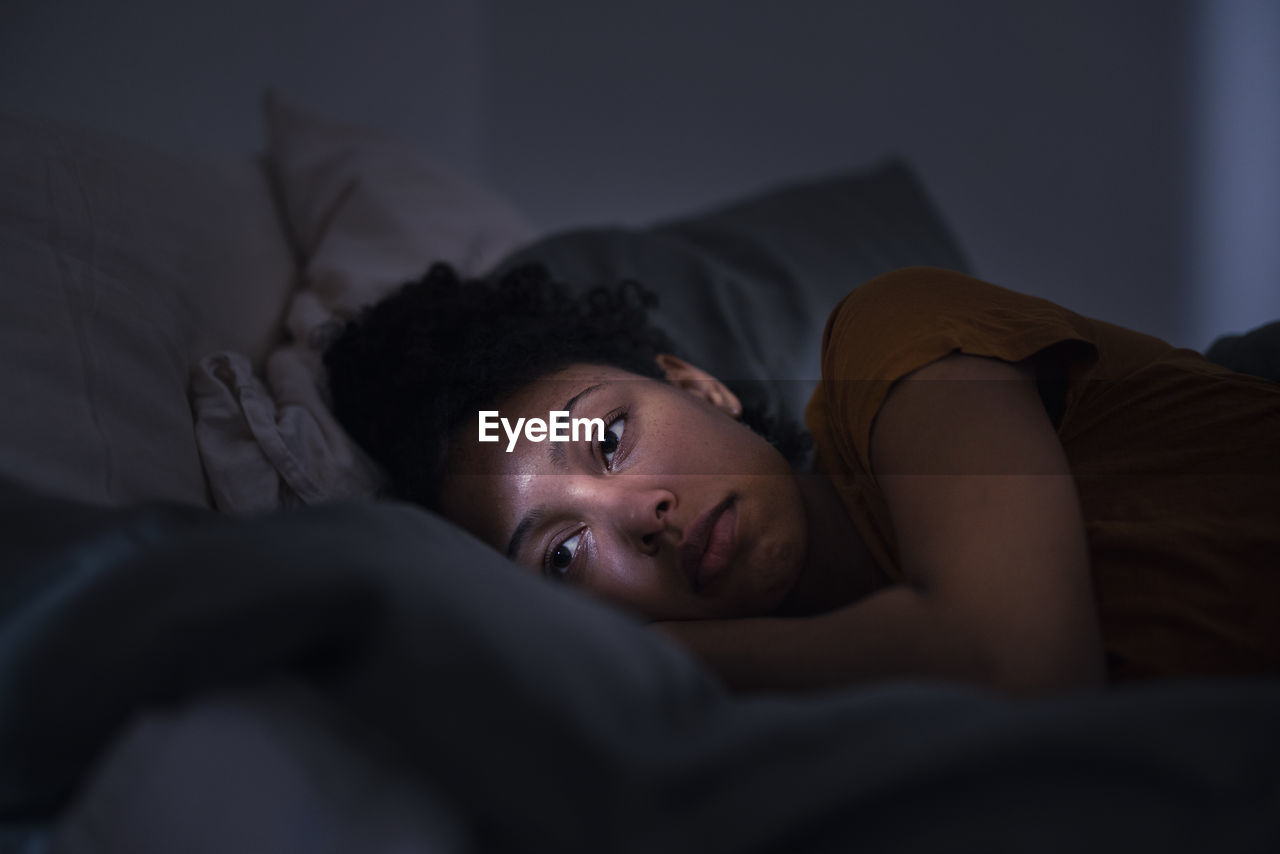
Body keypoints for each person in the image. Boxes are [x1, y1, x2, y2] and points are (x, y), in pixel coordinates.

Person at [323, 262, 1280, 695]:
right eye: (564, 556)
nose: (642, 516)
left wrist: (650, 662)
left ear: (699, 386)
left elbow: (1020, 665)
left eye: (610, 441)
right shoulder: (799, 717)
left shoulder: (890, 340)